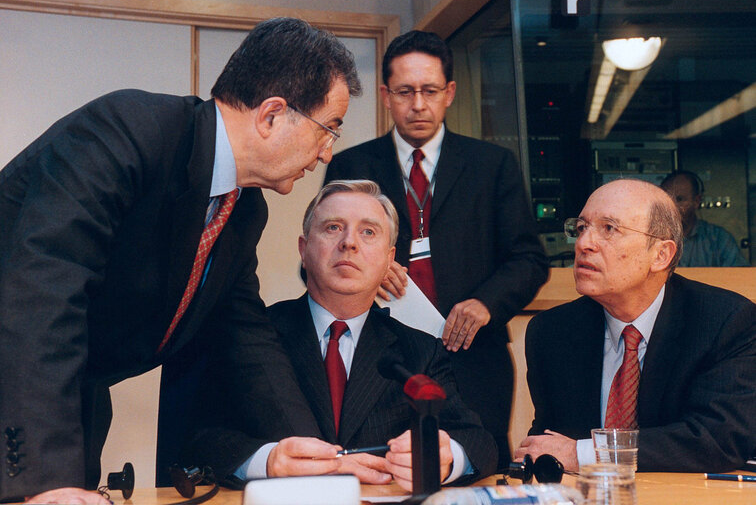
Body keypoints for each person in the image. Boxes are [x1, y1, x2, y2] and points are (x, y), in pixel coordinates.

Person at [0, 17, 361, 503]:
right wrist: (47, 481)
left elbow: (245, 334)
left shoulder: (244, 209)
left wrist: (313, 455)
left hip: (70, 401)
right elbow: (43, 296)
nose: (327, 153)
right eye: (328, 129)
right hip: (23, 395)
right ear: (272, 114)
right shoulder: (127, 132)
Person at [324, 30, 548, 469]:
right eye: (405, 92)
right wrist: (363, 269)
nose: (418, 105)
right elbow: (316, 259)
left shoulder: (492, 165)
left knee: (479, 465)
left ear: (450, 93)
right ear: (386, 96)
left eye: (429, 91)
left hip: (473, 355)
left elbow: (528, 258)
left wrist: (485, 303)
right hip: (382, 357)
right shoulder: (350, 165)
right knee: (383, 468)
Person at [185, 180, 498, 490]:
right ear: (303, 250)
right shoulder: (254, 334)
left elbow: (479, 441)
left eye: (368, 232)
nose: (349, 242)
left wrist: (447, 457)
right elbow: (202, 439)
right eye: (333, 227)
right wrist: (267, 462)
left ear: (389, 261)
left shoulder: (419, 351)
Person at [515, 179, 756, 472]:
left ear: (660, 255)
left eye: (609, 229)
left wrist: (587, 453)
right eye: (581, 228)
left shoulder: (724, 321)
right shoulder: (551, 332)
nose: (583, 243)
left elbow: (719, 438)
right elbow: (550, 444)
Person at [660, 170, 749, 267]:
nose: (672, 205)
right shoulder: (652, 238)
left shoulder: (719, 239)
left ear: (696, 201)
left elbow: (739, 276)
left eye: (679, 199)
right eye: (667, 199)